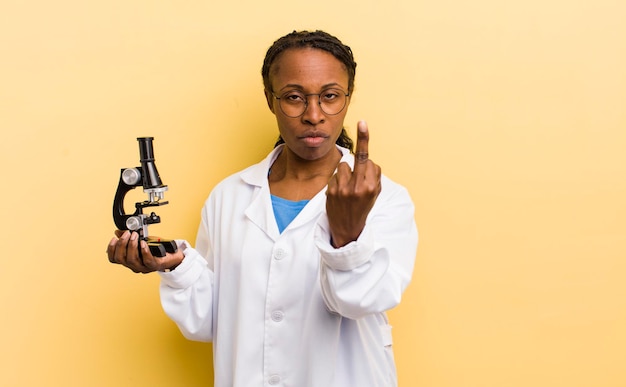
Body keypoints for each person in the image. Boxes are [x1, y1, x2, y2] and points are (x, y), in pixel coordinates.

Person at [107, 30, 418, 387]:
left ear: (347, 99)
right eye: (294, 97)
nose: (313, 114)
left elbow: (363, 301)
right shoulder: (228, 197)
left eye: (330, 97)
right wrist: (178, 268)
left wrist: (347, 237)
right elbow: (212, 322)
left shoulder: (386, 199)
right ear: (271, 100)